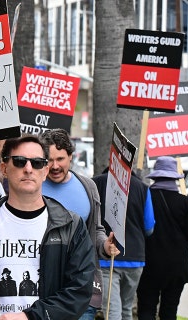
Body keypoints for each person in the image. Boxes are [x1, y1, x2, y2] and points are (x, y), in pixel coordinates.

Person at [0, 135, 96, 319]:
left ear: (45, 170)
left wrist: (30, 317)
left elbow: (79, 292)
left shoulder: (69, 226)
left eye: (37, 163)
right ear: (4, 168)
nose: (28, 169)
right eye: (20, 161)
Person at [39, 129, 119, 320]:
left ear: (71, 157)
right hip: (44, 285)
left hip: (83, 284)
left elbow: (96, 229)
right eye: (49, 160)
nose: (55, 166)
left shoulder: (88, 187)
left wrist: (105, 246)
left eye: (61, 159)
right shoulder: (34, 186)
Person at [137, 156, 188, 320]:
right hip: (176, 266)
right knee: (169, 311)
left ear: (156, 176)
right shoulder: (184, 202)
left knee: (146, 309)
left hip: (149, 264)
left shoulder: (145, 197)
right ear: (174, 178)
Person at [92, 169, 155, 320]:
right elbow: (149, 227)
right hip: (135, 258)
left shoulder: (95, 183)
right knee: (126, 308)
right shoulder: (143, 188)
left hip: (106, 258)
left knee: (112, 310)